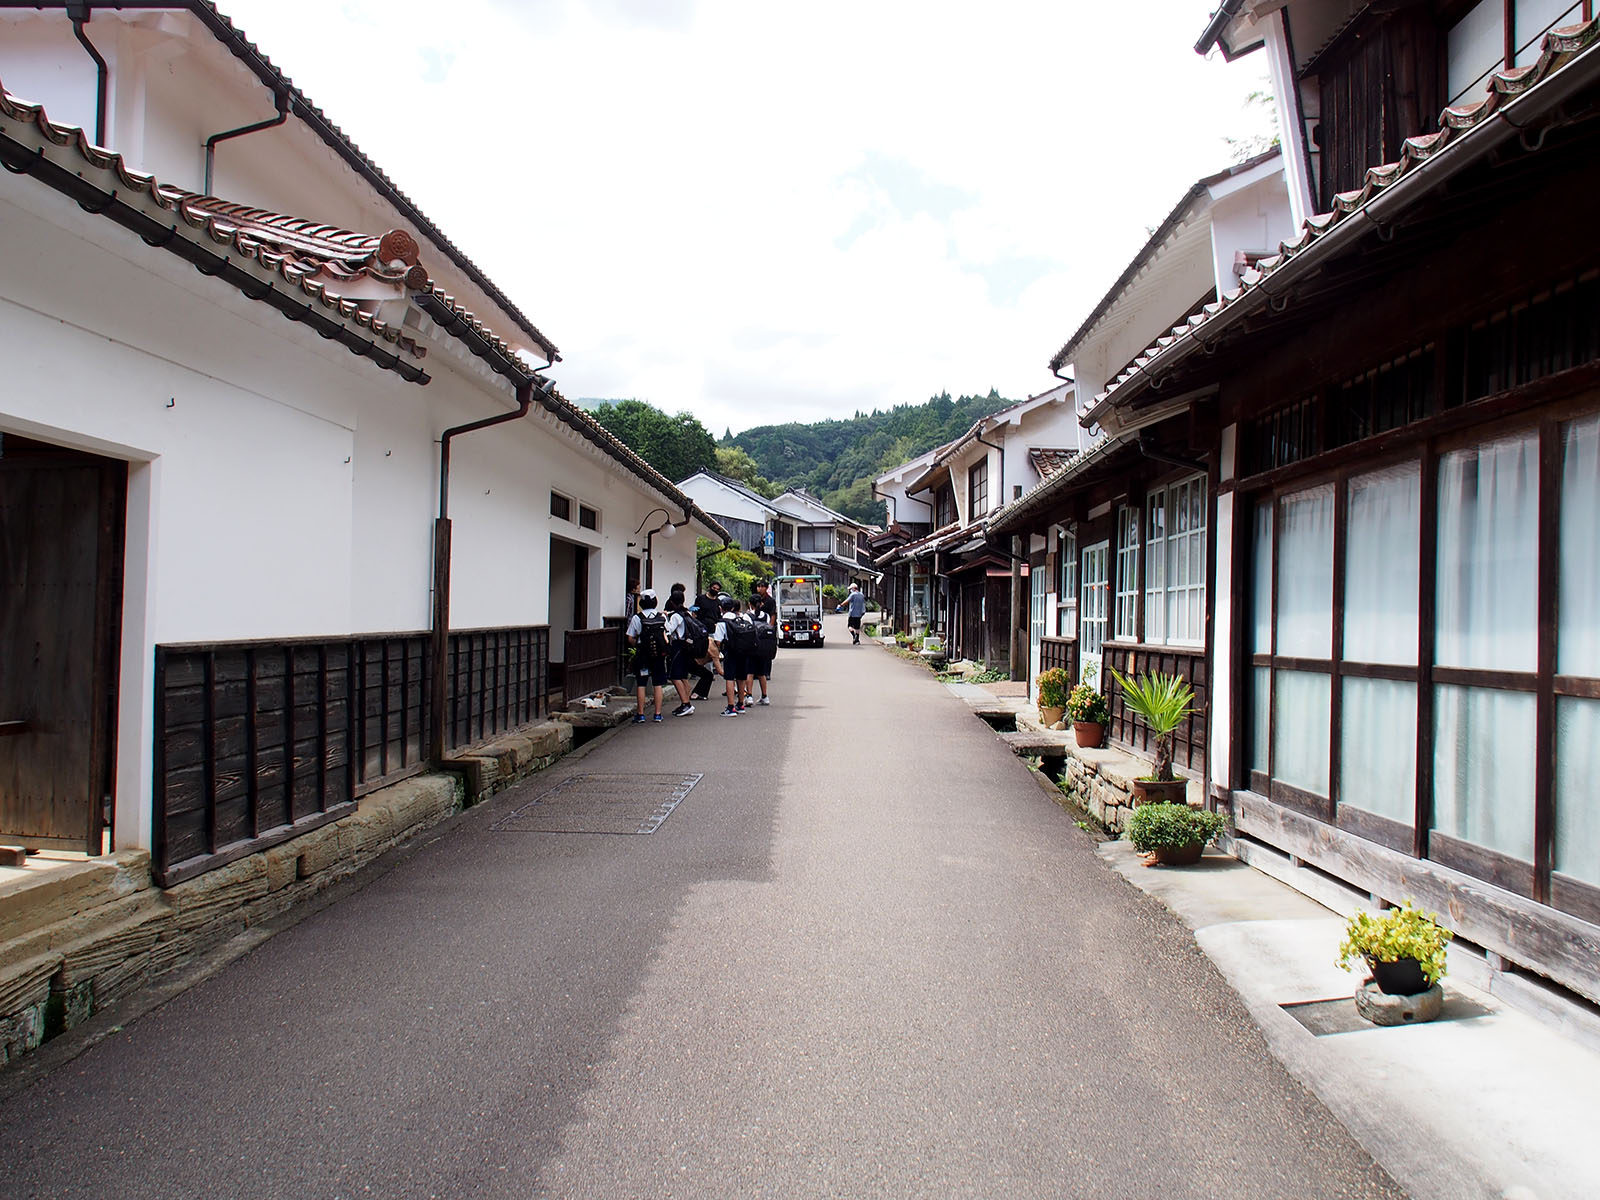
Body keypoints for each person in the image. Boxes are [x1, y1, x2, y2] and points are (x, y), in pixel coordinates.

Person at [625, 589, 669, 722]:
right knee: (658, 684)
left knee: (641, 684)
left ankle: (641, 714)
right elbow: (667, 635)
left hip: (643, 655)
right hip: (658, 656)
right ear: (655, 601)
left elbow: (630, 638)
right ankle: (657, 714)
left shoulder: (637, 618)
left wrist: (638, 644)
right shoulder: (662, 617)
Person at [663, 590, 703, 717]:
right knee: (683, 675)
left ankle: (686, 704)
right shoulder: (686, 613)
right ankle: (685, 702)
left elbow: (669, 630)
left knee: (675, 676)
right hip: (687, 647)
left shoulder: (675, 616)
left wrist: (664, 617)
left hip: (678, 646)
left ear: (672, 601)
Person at [711, 594, 751, 716]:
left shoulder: (722, 623)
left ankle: (730, 707)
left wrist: (721, 649)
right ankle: (740, 704)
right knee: (741, 677)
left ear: (720, 608)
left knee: (729, 678)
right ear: (733, 608)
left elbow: (717, 641)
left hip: (731, 652)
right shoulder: (742, 619)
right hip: (744, 652)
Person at [746, 585, 777, 706]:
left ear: (750, 604)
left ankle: (749, 696)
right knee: (761, 673)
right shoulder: (766, 616)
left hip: (752, 648)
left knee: (749, 672)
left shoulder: (747, 616)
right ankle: (765, 696)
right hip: (763, 649)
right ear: (761, 603)